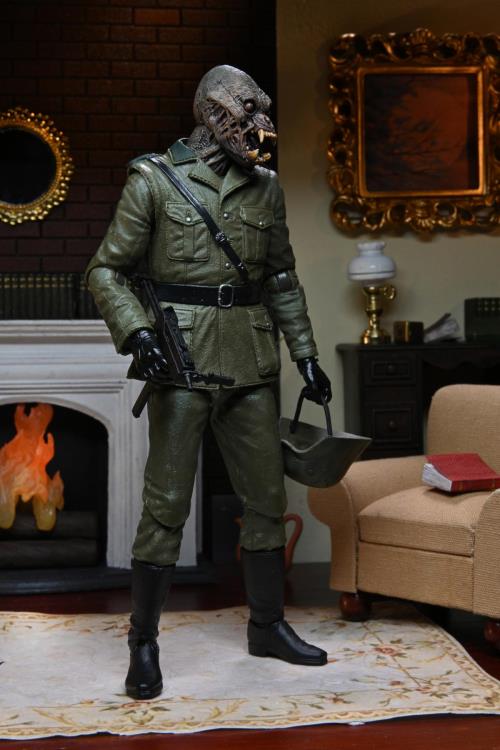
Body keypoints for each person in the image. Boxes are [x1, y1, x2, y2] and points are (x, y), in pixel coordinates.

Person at [86, 65, 332, 701]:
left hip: (251, 357)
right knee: (167, 504)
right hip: (181, 359)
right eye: (247, 112)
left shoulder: (265, 188)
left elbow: (280, 277)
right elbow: (106, 271)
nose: (260, 127)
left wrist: (305, 354)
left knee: (267, 498)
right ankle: (143, 642)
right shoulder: (153, 180)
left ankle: (267, 626)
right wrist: (137, 334)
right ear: (213, 113)